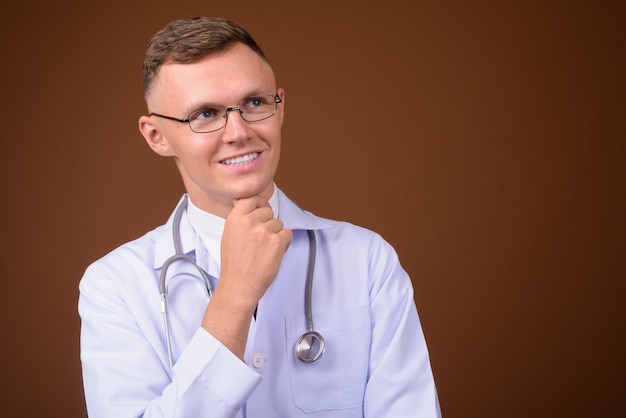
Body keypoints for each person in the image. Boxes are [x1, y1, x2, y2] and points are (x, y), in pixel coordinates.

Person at [78, 16, 441, 418]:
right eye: (205, 114)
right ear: (157, 136)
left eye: (254, 103)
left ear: (279, 107)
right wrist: (235, 297)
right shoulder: (114, 286)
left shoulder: (368, 261)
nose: (238, 132)